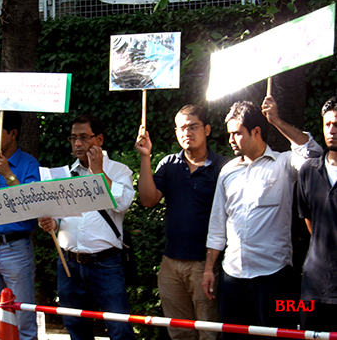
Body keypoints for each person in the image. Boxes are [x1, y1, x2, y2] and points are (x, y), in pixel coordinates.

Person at [202, 96, 322, 339]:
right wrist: (208, 269)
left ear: (256, 131)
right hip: (232, 275)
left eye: (236, 133)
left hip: (274, 275)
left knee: (282, 335)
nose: (230, 140)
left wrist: (276, 121)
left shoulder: (284, 163)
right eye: (229, 134)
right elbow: (217, 225)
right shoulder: (227, 171)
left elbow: (314, 153)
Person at [38, 114, 136, 340]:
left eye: (84, 137)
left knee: (119, 328)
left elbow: (122, 204)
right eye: (73, 138)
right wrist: (52, 223)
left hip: (106, 263)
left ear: (99, 140)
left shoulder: (119, 171)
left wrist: (98, 171)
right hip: (68, 262)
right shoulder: (65, 174)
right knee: (75, 327)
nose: (78, 144)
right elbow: (61, 216)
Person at [135, 105, 228, 340]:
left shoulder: (223, 168)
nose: (187, 132)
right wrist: (145, 157)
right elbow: (147, 200)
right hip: (170, 263)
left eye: (193, 126)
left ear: (207, 129)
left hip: (205, 265)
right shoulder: (168, 164)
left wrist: (210, 266)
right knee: (179, 332)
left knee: (209, 332)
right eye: (181, 128)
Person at [0, 111, 40, 340]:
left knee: (23, 319)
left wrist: (8, 174)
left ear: (12, 133)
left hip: (16, 247)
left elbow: (33, 207)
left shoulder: (30, 164)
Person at [297, 96, 337, 331]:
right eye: (328, 124)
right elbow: (310, 222)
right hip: (314, 286)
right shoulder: (308, 171)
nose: (332, 130)